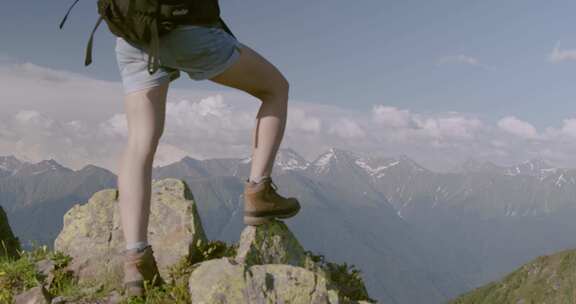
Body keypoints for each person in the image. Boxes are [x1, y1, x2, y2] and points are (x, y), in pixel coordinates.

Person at [115, 18, 301, 297]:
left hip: (131, 35)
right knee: (276, 88)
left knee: (139, 143)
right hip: (185, 31)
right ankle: (258, 191)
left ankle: (136, 261)